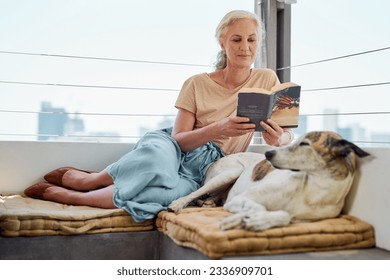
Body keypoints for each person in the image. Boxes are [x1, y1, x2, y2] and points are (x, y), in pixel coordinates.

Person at [24, 10, 294, 223]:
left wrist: (280, 138)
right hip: (175, 145)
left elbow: (287, 134)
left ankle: (75, 198)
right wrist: (217, 129)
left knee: (159, 195)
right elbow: (179, 139)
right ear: (222, 42)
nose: (244, 47)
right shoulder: (196, 83)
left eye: (251, 39)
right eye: (236, 39)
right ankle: (90, 181)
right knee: (155, 162)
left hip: (205, 166)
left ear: (258, 42)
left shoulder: (267, 79)